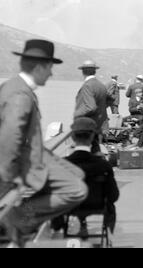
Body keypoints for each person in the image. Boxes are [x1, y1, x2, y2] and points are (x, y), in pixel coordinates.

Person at [0, 39, 87, 246]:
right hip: (25, 158)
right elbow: (10, 138)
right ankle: (18, 218)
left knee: (78, 173)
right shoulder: (21, 95)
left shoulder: (14, 86)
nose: (51, 74)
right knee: (76, 190)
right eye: (50, 68)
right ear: (40, 67)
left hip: (35, 153)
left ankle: (24, 214)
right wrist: (8, 180)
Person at [64, 117, 120, 238]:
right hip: (97, 205)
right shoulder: (103, 165)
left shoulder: (63, 164)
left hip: (70, 207)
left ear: (73, 137)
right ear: (92, 138)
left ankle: (66, 227)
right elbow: (113, 195)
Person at [74, 60, 109, 155]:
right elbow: (109, 100)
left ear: (83, 71)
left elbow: (90, 107)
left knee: (85, 153)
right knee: (96, 149)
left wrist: (76, 114)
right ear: (95, 71)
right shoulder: (101, 85)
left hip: (87, 125)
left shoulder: (87, 86)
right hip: (98, 124)